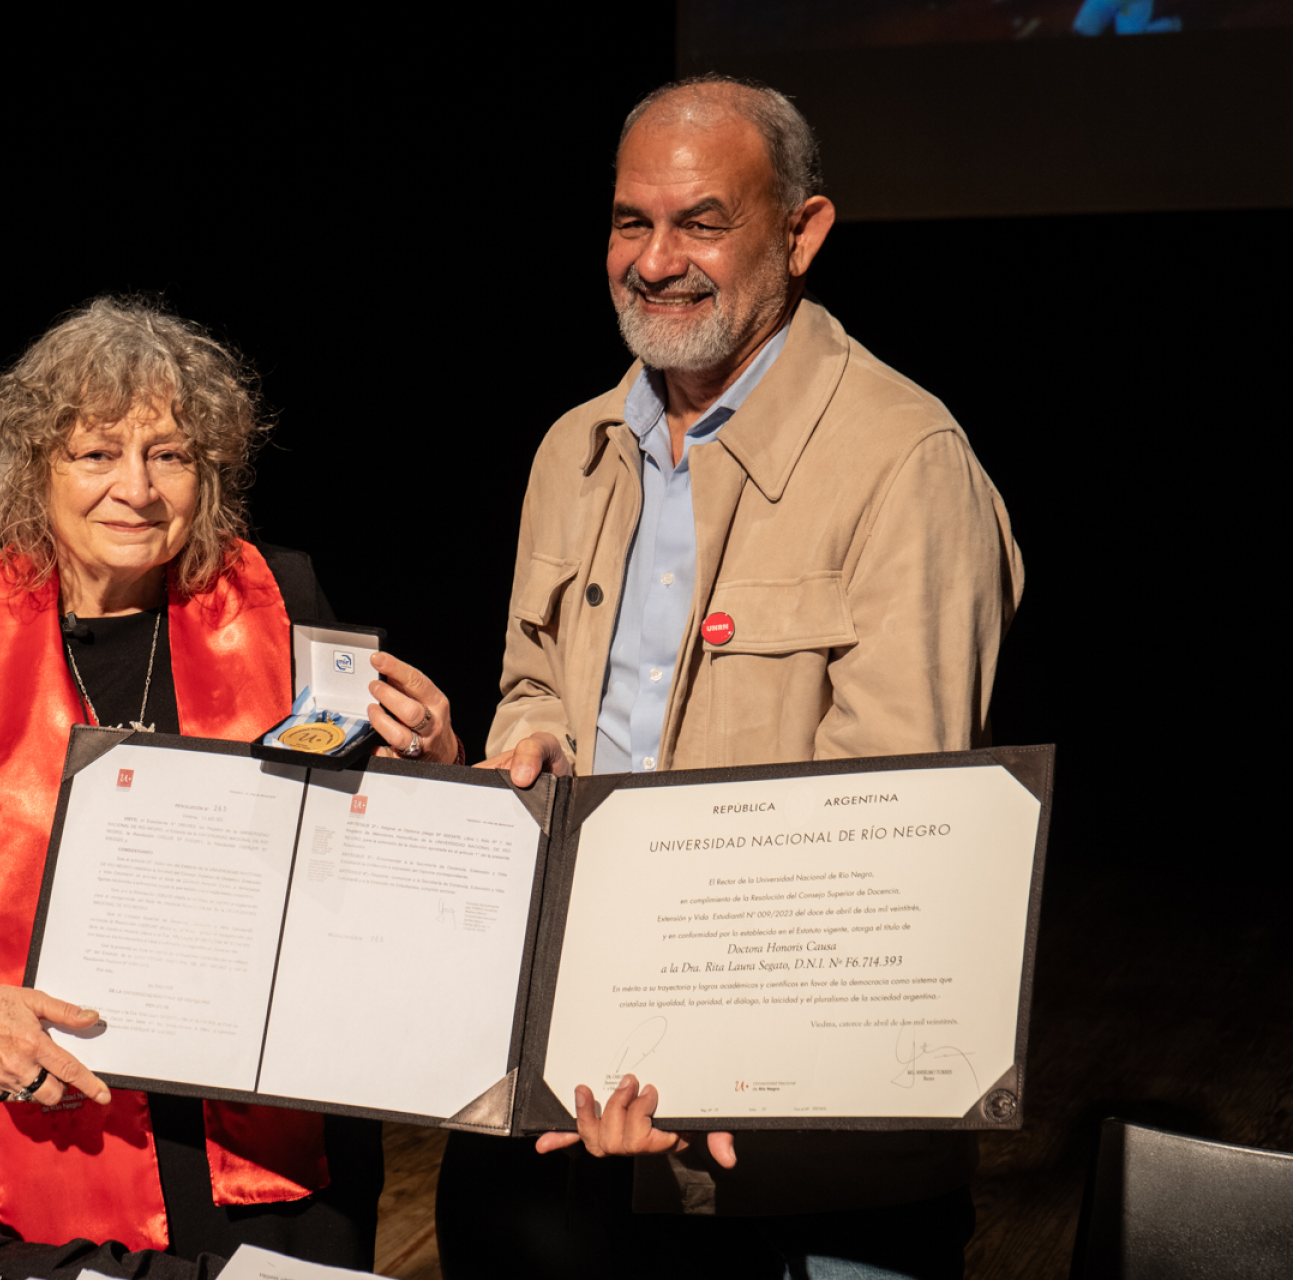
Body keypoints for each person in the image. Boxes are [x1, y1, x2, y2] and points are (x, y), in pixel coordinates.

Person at [438, 76, 1024, 1279]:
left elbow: (888, 836)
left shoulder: (907, 463)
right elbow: (533, 677)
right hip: (573, 1102)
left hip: (795, 1166)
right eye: (631, 221)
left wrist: (697, 1047)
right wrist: (535, 732)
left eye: (702, 222)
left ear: (802, 235)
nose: (656, 262)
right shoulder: (573, 449)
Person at [0, 297, 452, 1265]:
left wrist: (430, 764)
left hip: (264, 1140)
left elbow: (365, 840)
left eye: (169, 454)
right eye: (97, 453)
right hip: (30, 1115)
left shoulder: (282, 600)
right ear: (34, 470)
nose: (136, 488)